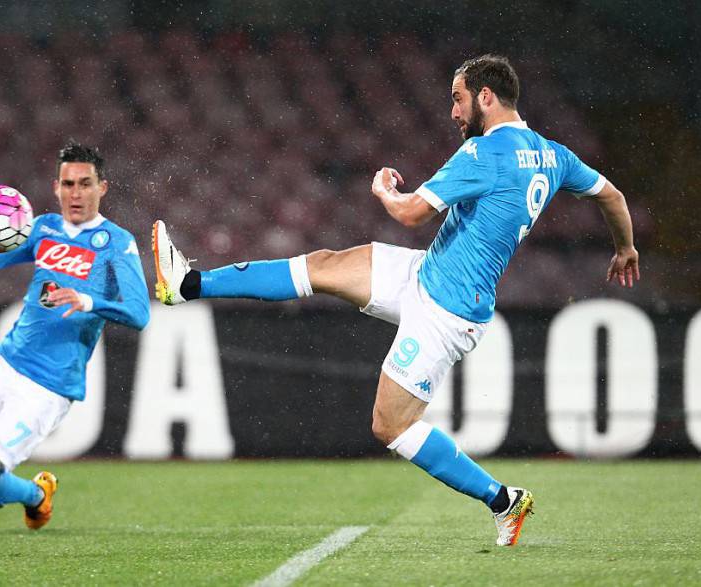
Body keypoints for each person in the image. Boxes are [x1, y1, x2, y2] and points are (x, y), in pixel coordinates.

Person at [152, 55, 639, 546]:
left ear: (485, 98)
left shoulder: (486, 155)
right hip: (428, 274)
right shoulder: (553, 155)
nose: (453, 112)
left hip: (446, 310)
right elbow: (612, 196)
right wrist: (625, 247)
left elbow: (410, 214)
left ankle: (503, 501)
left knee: (390, 425)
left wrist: (384, 190)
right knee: (325, 265)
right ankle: (188, 285)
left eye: (458, 98)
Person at [0, 143, 150, 530]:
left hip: (46, 391)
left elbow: (139, 313)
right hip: (4, 363)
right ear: (55, 187)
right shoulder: (42, 227)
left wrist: (87, 300)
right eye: (68, 184)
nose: (76, 194)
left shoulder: (117, 243)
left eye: (85, 184)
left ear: (103, 188)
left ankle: (35, 495)